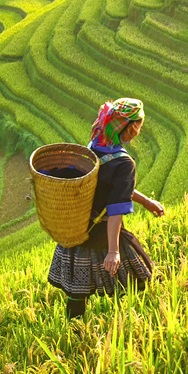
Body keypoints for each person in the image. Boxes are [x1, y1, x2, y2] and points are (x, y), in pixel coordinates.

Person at [48, 97, 165, 319]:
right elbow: (115, 209)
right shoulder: (124, 163)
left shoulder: (94, 147)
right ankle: (136, 319)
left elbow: (114, 187)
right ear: (130, 127)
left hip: (76, 226)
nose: (140, 130)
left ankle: (74, 332)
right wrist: (113, 250)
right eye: (139, 125)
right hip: (101, 231)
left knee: (76, 289)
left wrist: (147, 202)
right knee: (140, 274)